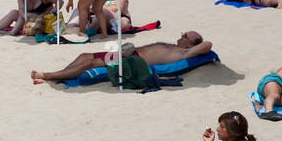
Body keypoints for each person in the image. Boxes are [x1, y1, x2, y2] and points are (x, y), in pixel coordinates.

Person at [30, 32, 212, 84]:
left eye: (185, 36)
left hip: (132, 62)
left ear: (190, 43)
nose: (180, 36)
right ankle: (61, 75)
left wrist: (195, 44)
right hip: (127, 53)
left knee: (90, 63)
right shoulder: (176, 46)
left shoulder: (184, 53)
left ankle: (50, 76)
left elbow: (207, 45)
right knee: (84, 55)